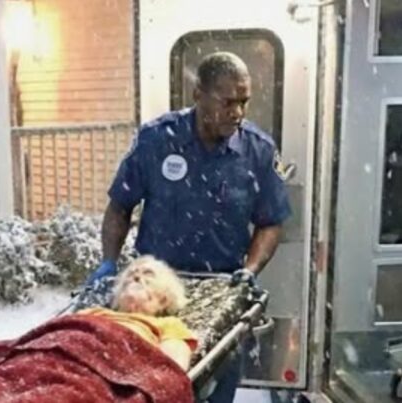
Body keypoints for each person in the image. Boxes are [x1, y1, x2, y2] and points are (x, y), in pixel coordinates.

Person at [84, 51, 292, 402]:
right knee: (152, 387)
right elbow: (120, 205)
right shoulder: (156, 140)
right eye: (228, 102)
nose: (238, 112)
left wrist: (250, 269)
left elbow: (270, 222)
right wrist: (109, 261)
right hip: (155, 293)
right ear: (198, 95)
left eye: (244, 102)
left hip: (222, 291)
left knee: (215, 386)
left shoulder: (257, 150)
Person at [0, 256, 198, 403]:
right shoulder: (88, 314)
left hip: (91, 374)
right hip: (36, 361)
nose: (135, 276)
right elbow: (47, 337)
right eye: (131, 275)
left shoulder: (166, 325)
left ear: (164, 298)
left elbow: (169, 368)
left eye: (147, 275)